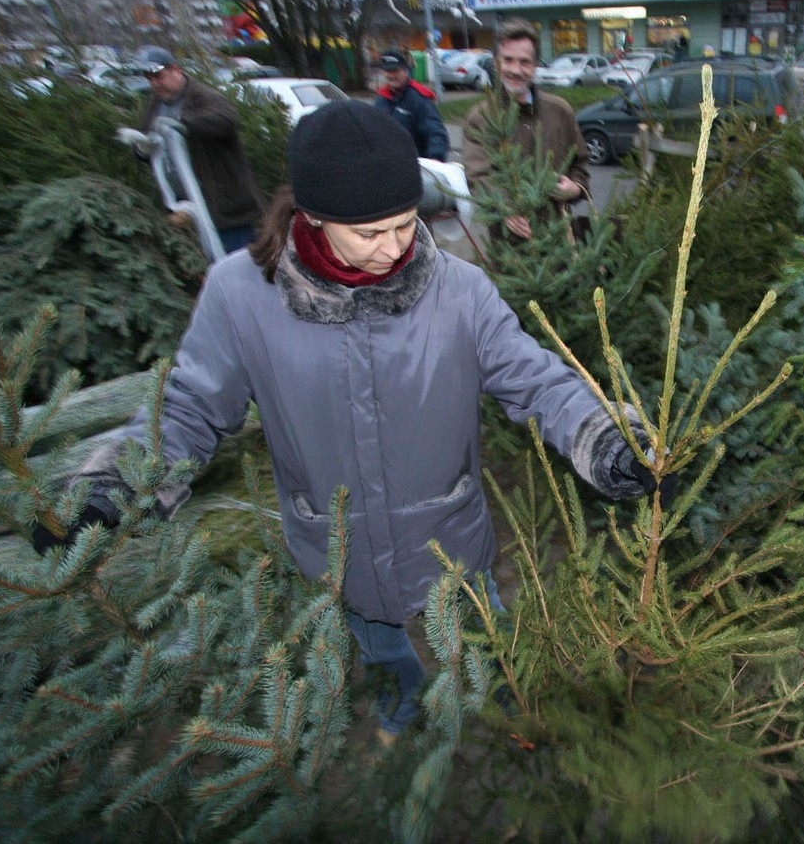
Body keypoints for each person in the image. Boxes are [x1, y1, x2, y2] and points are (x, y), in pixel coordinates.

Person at [36, 101, 670, 742]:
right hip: (334, 546)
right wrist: (113, 486)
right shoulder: (240, 294)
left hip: (448, 536)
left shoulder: (460, 291)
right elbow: (190, 406)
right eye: (369, 232)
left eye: (405, 224)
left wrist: (605, 439)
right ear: (311, 215)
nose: (394, 247)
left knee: (487, 637)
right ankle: (403, 708)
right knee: (380, 646)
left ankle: (510, 702)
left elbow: (536, 380)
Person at [462, 19, 589, 242]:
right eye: (508, 60)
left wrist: (575, 189)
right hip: (509, 248)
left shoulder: (560, 111)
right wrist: (506, 207)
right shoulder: (480, 119)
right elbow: (478, 176)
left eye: (525, 62)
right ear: (495, 63)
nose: (516, 70)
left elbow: (580, 164)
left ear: (535, 65)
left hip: (559, 240)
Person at [136, 45, 264, 254]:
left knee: (237, 270)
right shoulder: (156, 106)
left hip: (223, 211)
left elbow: (226, 120)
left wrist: (181, 124)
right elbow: (148, 140)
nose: (155, 83)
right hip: (186, 212)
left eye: (159, 76)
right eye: (149, 78)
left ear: (175, 69)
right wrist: (142, 149)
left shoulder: (205, 97)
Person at [373, 49, 450, 162]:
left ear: (405, 71)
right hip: (388, 164)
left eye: (396, 71)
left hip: (414, 164)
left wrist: (435, 159)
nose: (392, 75)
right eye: (388, 71)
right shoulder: (381, 99)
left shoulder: (419, 99)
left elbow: (435, 133)